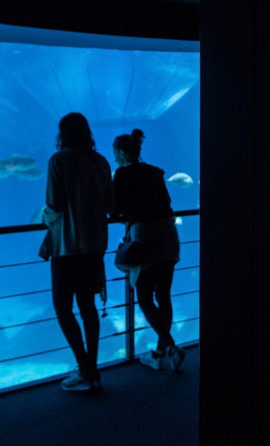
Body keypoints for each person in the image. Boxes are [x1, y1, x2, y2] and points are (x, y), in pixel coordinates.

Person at [41, 112, 113, 392]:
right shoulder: (101, 161)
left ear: (62, 134)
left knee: (62, 306)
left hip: (67, 246)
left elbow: (54, 204)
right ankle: (91, 369)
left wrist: (45, 218)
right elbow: (109, 203)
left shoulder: (58, 161)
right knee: (88, 306)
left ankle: (84, 368)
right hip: (95, 245)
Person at [111, 128, 185, 371]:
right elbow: (166, 203)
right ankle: (162, 350)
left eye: (115, 153)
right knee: (163, 294)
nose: (114, 158)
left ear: (122, 153)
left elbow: (113, 209)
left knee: (143, 297)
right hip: (168, 232)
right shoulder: (154, 172)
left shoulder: (122, 174)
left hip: (146, 236)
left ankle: (171, 346)